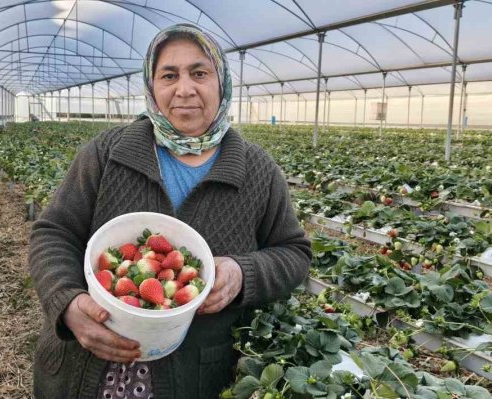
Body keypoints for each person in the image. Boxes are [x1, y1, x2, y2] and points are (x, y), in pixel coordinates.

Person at [29, 23, 311, 399]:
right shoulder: (107, 153)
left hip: (195, 376)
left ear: (221, 83)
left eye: (199, 73)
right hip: (85, 368)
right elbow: (53, 233)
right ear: (151, 85)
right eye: (168, 75)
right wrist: (66, 301)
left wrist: (242, 273)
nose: (184, 89)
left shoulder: (257, 171)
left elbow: (294, 252)